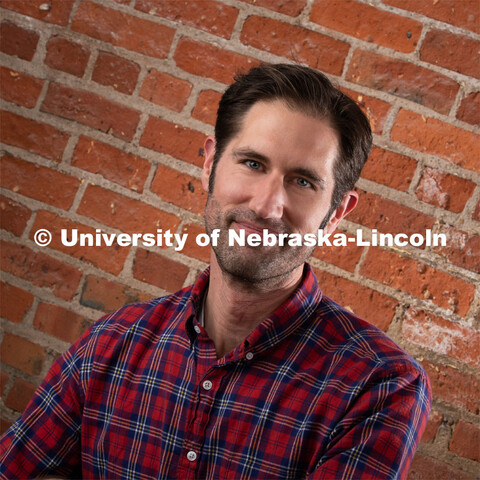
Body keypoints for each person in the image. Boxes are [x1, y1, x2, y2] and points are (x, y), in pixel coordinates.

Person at [0, 63, 431, 480]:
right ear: (210, 164)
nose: (265, 206)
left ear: (336, 212)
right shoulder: (110, 344)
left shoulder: (380, 387)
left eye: (302, 182)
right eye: (253, 164)